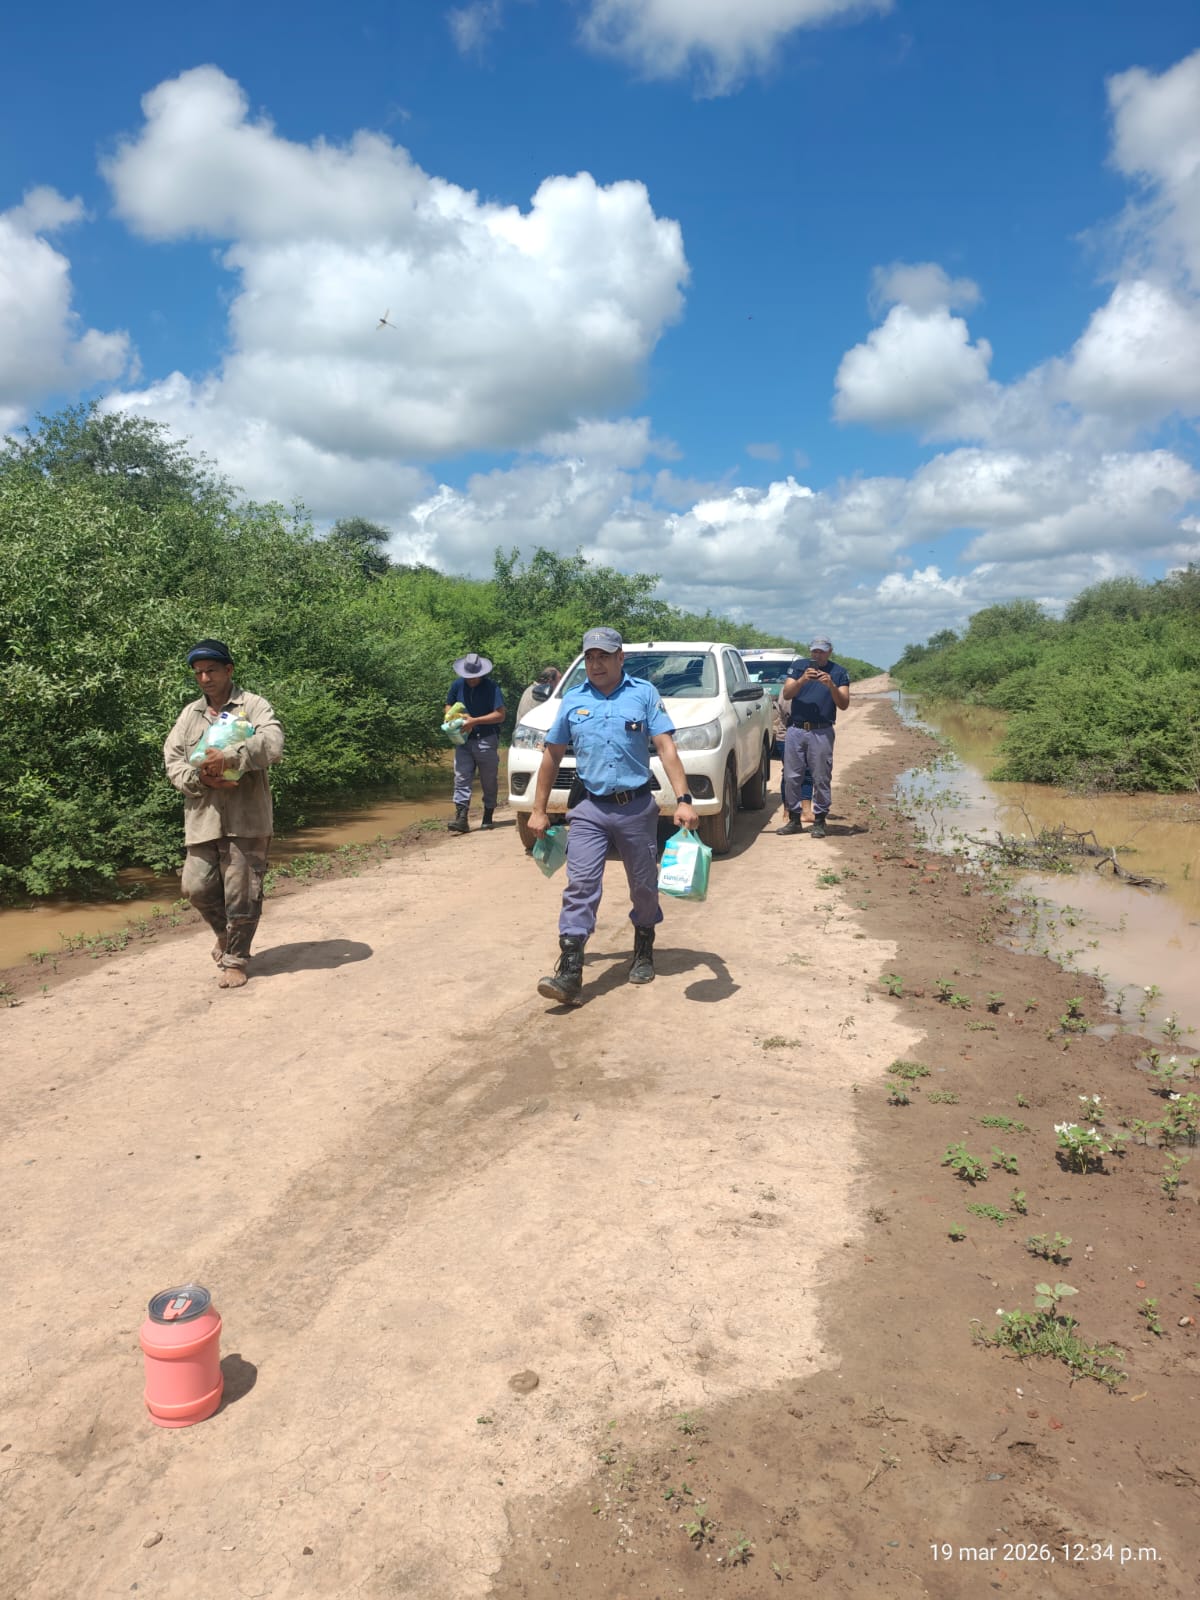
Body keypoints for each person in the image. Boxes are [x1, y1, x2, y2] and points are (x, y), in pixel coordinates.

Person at [528, 627, 700, 1006]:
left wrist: (685, 799)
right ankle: (570, 972)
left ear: (620, 657)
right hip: (589, 808)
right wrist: (539, 810)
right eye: (589, 657)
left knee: (643, 884)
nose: (596, 663)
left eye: (604, 656)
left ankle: (643, 949)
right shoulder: (573, 700)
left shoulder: (643, 694)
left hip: (637, 807)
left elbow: (666, 748)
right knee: (581, 884)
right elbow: (552, 755)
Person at [163, 640, 285, 989]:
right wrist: (199, 777)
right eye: (198, 672)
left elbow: (274, 744)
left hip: (248, 818)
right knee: (196, 887)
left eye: (211, 670)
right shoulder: (190, 715)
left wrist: (231, 756)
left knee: (243, 893)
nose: (204, 678)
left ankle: (235, 960)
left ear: (229, 670)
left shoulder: (253, 706)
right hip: (203, 816)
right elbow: (172, 761)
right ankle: (223, 934)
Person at [776, 635, 850, 839]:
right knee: (792, 776)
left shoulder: (839, 672)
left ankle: (819, 821)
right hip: (796, 729)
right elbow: (788, 693)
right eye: (814, 651)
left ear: (830, 651)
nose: (817, 655)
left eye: (822, 651)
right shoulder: (799, 667)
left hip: (822, 730)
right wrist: (802, 680)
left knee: (821, 776)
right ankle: (794, 819)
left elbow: (844, 704)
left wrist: (831, 686)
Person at [445, 652, 506, 834]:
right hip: (463, 740)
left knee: (489, 779)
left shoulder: (491, 687)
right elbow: (448, 705)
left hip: (486, 739)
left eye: (474, 677)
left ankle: (488, 815)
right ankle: (461, 818)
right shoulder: (457, 685)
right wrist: (451, 716)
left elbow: (500, 715)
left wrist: (475, 721)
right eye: (468, 677)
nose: (471, 680)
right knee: (461, 777)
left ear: (481, 674)